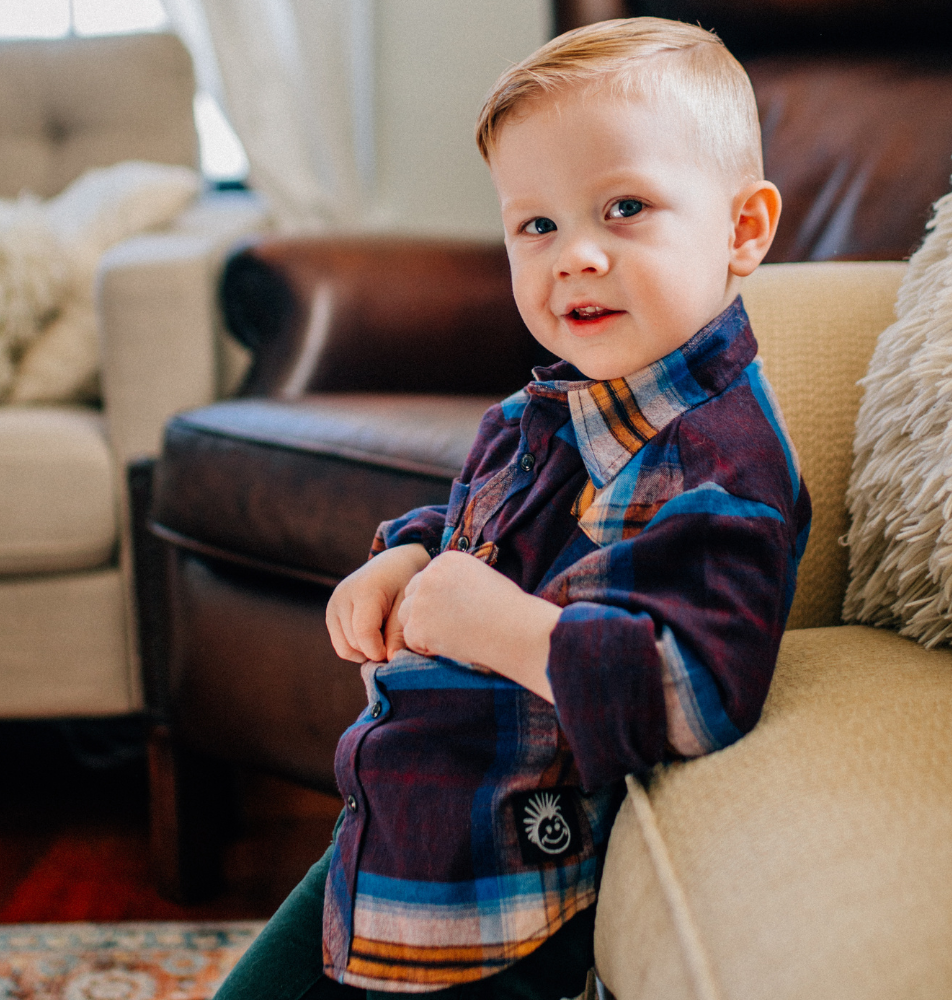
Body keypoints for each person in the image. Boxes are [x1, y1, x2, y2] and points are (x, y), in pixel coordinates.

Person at [215, 16, 810, 1000]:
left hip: (512, 897)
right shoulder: (536, 413)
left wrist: (500, 626)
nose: (572, 254)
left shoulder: (719, 462)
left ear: (742, 229)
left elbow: (694, 689)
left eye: (623, 207)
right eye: (535, 225)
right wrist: (407, 558)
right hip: (399, 834)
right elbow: (476, 539)